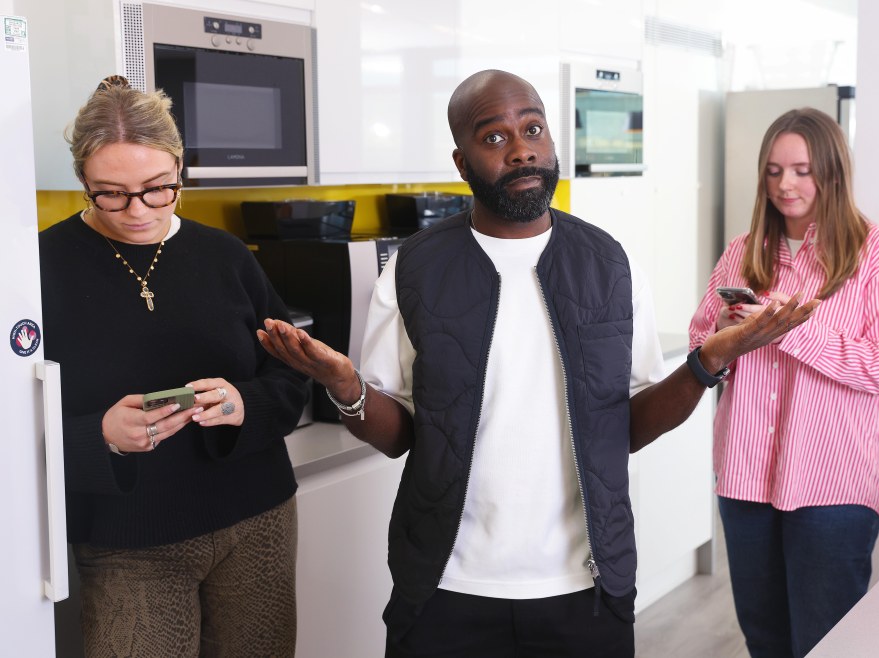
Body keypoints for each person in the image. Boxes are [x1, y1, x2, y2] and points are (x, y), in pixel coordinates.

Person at [259, 69, 818, 658]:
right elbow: (398, 435)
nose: (521, 147)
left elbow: (628, 424)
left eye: (533, 128)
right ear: (462, 160)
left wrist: (708, 361)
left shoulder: (610, 263)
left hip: (585, 586)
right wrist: (345, 385)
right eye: (494, 137)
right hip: (445, 587)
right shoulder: (414, 268)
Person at [38, 75, 308, 657]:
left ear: (179, 170)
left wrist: (244, 404)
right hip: (125, 542)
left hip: (255, 519)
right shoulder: (37, 268)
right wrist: (98, 437)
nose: (137, 211)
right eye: (110, 193)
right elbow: (14, 423)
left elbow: (291, 376)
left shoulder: (226, 256)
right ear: (82, 180)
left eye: (158, 189)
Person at [689, 107, 879, 657]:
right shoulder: (742, 254)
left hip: (834, 488)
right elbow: (704, 354)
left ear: (832, 172)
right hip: (745, 480)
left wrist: (785, 330)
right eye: (773, 171)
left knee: (826, 643)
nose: (784, 185)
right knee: (765, 641)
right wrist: (727, 334)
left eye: (800, 170)